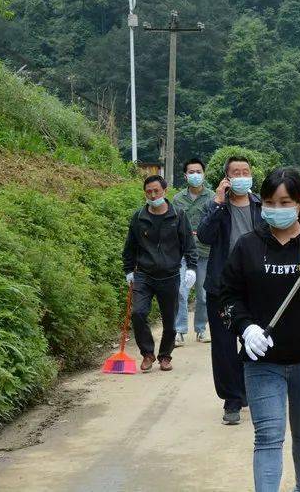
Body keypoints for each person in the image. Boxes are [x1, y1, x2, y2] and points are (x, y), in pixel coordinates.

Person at [217, 167, 300, 492]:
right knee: (268, 436)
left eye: (285, 202)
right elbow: (227, 296)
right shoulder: (248, 246)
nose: (276, 209)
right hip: (262, 361)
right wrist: (245, 327)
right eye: (270, 202)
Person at [197, 155, 261, 425]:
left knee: (254, 340)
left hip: (256, 285)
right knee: (223, 345)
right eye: (235, 172)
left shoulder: (261, 205)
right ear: (226, 178)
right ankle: (232, 400)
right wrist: (218, 203)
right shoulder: (217, 207)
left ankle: (251, 391)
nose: (241, 175)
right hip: (222, 286)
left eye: (245, 171)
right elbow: (204, 236)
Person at [122, 175, 197, 372]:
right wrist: (129, 270)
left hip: (170, 275)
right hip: (144, 274)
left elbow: (189, 244)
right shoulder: (139, 217)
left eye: (156, 191)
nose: (153, 195)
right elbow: (130, 247)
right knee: (138, 313)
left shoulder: (178, 216)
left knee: (170, 321)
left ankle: (165, 356)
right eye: (148, 191)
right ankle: (147, 353)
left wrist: (191, 268)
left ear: (164, 191)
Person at [171, 158, 215, 345]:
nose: (195, 175)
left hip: (205, 252)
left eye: (198, 171)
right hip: (182, 252)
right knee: (180, 291)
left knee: (203, 294)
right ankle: (179, 330)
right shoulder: (177, 199)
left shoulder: (213, 197)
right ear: (185, 175)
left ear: (203, 174)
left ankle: (201, 329)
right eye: (191, 172)